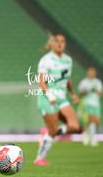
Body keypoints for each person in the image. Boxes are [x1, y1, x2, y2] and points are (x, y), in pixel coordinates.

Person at [34, 33, 80, 166]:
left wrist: (72, 94)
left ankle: (47, 133)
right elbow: (41, 81)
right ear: (51, 44)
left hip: (62, 98)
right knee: (53, 131)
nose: (60, 43)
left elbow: (68, 79)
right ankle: (40, 158)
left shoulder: (68, 60)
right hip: (47, 98)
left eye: (63, 41)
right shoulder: (46, 60)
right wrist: (49, 95)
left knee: (74, 127)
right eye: (57, 41)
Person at [78, 67, 103, 146]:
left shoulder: (98, 82)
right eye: (90, 72)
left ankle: (87, 134)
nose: (92, 73)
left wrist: (95, 90)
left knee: (97, 121)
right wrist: (87, 91)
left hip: (96, 103)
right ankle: (93, 139)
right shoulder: (84, 82)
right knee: (91, 120)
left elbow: (100, 94)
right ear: (87, 73)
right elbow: (81, 93)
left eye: (93, 72)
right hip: (87, 103)